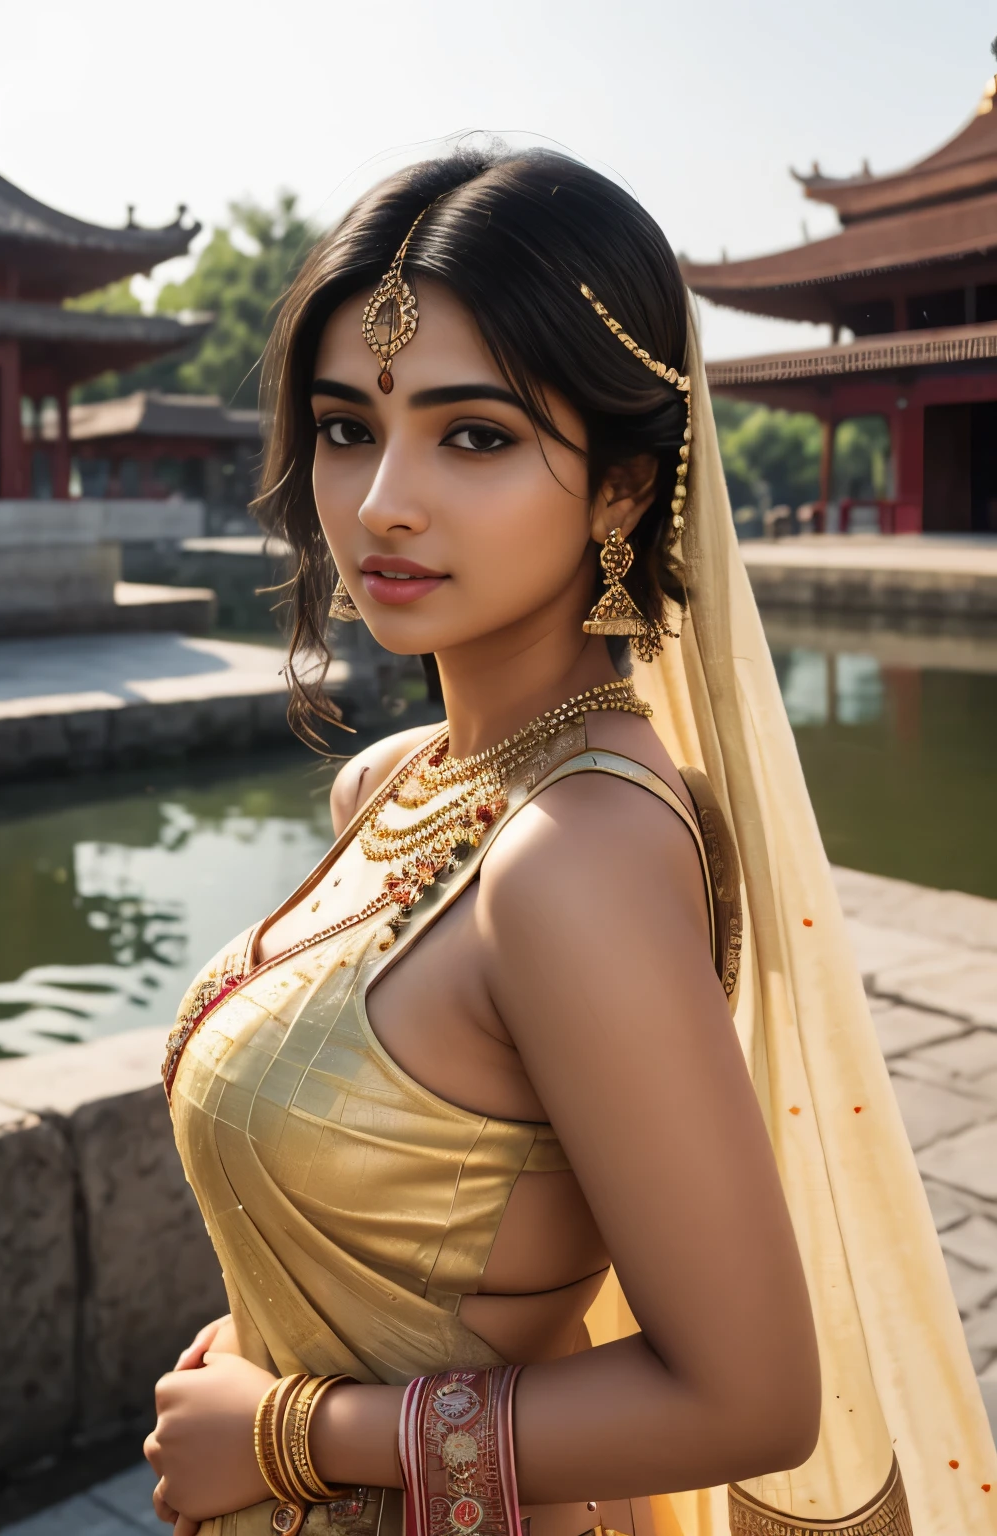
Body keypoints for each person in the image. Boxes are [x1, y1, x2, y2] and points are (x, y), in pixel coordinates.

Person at [144, 148, 994, 1536]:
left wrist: (295, 1433)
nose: (381, 504)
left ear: (618, 489)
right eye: (350, 427)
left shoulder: (570, 857)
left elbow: (751, 1399)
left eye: (472, 435)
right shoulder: (396, 781)